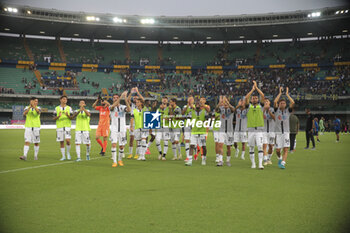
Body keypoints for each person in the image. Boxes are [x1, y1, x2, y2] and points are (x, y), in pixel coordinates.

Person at [244, 81, 265, 169]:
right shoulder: (249, 107)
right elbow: (246, 98)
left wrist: (257, 88)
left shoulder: (261, 106)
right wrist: (252, 90)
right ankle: (253, 163)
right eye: (253, 98)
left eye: (256, 98)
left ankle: (260, 164)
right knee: (251, 147)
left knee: (260, 146)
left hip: (259, 130)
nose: (255, 99)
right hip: (251, 130)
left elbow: (263, 96)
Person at [274, 87, 295, 169]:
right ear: (279, 105)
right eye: (281, 103)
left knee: (286, 149)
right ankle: (279, 158)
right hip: (278, 133)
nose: (282, 104)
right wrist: (280, 93)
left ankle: (283, 163)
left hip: (286, 133)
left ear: (285, 105)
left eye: (283, 103)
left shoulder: (287, 111)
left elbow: (292, 102)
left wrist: (287, 94)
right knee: (278, 150)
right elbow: (275, 101)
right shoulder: (276, 111)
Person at [109, 91, 130, 167]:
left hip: (122, 129)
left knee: (121, 146)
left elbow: (129, 109)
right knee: (114, 144)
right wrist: (121, 97)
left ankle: (120, 160)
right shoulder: (111, 107)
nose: (115, 99)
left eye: (116, 98)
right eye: (114, 98)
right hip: (114, 129)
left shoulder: (122, 107)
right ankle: (114, 161)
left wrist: (125, 99)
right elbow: (112, 107)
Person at [185, 100, 209, 166]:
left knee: (203, 146)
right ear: (195, 104)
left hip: (202, 132)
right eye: (196, 103)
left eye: (199, 103)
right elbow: (188, 118)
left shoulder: (204, 112)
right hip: (194, 132)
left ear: (201, 105)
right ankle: (190, 160)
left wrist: (204, 122)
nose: (197, 104)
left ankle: (204, 159)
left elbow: (207, 119)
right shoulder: (191, 112)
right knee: (191, 146)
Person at [216, 96, 235, 167]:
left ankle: (228, 160)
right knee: (220, 145)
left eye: (226, 101)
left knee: (228, 147)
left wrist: (228, 104)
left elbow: (233, 110)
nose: (225, 103)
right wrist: (219, 103)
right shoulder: (221, 109)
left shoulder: (231, 108)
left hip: (229, 131)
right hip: (222, 130)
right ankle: (220, 160)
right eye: (224, 102)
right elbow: (216, 109)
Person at [53, 95, 73, 161]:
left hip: (67, 126)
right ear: (60, 100)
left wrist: (68, 115)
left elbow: (72, 117)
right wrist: (58, 116)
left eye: (66, 99)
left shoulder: (69, 108)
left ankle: (68, 153)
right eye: (64, 99)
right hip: (59, 127)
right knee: (61, 142)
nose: (65, 100)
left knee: (67, 140)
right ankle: (63, 156)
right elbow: (53, 118)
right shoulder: (56, 108)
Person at [262, 98, 275, 165]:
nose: (266, 102)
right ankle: (265, 160)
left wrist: (269, 111)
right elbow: (260, 118)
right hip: (263, 131)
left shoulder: (272, 109)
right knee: (264, 145)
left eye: (267, 101)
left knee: (271, 146)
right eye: (265, 101)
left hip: (271, 131)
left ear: (269, 103)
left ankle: (268, 158)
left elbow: (274, 118)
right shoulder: (261, 109)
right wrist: (264, 109)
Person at [182, 96, 195, 161]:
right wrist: (187, 106)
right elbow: (183, 113)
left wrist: (192, 106)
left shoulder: (196, 107)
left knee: (194, 140)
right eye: (189, 99)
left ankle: (195, 154)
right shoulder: (185, 106)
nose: (190, 100)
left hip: (194, 124)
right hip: (187, 123)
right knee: (187, 140)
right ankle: (188, 156)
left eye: (191, 99)